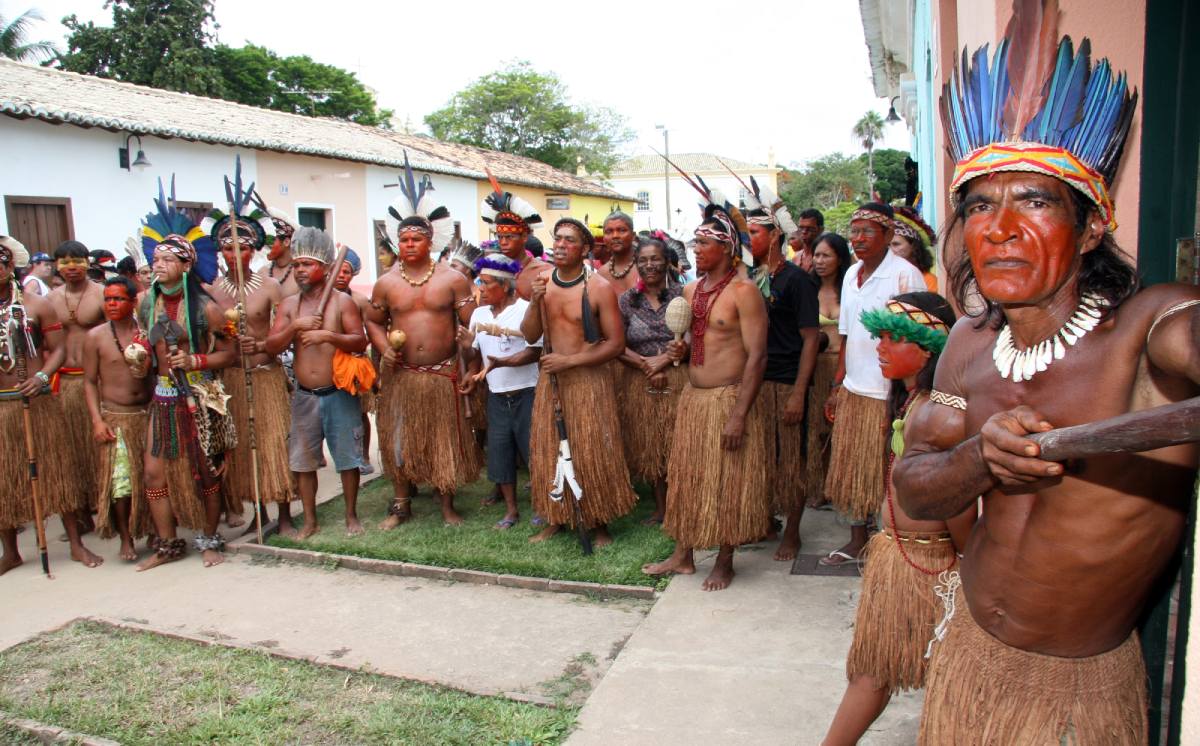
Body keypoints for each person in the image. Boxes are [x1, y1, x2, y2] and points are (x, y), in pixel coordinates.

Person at [895, 2, 1200, 741]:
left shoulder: (1150, 330)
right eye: (980, 206)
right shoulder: (968, 342)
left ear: (1092, 225)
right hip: (969, 651)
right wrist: (978, 459)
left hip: (1081, 689)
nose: (999, 228)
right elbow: (913, 484)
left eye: (1034, 200)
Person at [823, 292, 974, 745]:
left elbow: (958, 499)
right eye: (878, 336)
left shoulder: (942, 412)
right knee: (873, 669)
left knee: (941, 678)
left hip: (934, 566)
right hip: (901, 559)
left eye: (892, 338)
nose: (879, 347)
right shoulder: (912, 401)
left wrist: (968, 565)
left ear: (927, 346)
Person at [641, 201, 770, 591]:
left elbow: (758, 356)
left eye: (703, 243)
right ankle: (683, 555)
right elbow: (690, 344)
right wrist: (677, 355)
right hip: (694, 399)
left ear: (727, 249)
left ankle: (726, 560)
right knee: (688, 478)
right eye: (695, 242)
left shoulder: (745, 293)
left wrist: (739, 415)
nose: (695, 249)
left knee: (727, 481)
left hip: (727, 399)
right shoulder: (691, 289)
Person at [368, 156, 481, 528]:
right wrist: (383, 344)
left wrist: (470, 348)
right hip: (403, 375)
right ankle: (401, 505)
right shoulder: (386, 282)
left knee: (442, 440)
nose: (409, 244)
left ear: (431, 241)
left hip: (441, 374)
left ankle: (447, 503)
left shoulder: (452, 279)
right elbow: (373, 320)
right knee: (399, 439)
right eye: (403, 239)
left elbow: (472, 323)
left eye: (416, 239)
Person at [520, 217, 636, 546]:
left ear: (585, 249)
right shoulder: (542, 282)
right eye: (557, 238)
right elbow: (530, 335)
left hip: (588, 381)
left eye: (569, 240)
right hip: (553, 383)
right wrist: (534, 301)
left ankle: (598, 520)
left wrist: (570, 360)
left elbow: (614, 344)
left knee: (590, 449)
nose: (559, 245)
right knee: (549, 450)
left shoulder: (598, 287)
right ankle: (556, 516)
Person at [135, 193, 237, 571]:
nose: (157, 264)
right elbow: (145, 339)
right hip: (163, 395)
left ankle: (210, 539)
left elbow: (230, 355)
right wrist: (140, 355)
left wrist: (196, 359)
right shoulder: (147, 303)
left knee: (206, 470)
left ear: (185, 264)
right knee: (152, 473)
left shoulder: (208, 307)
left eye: (166, 259)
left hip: (200, 393)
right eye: (155, 258)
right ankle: (167, 544)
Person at [820, 202, 925, 566]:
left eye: (867, 231)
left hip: (888, 393)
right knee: (852, 471)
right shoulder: (851, 276)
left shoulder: (905, 276)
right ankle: (856, 542)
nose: (858, 239)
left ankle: (887, 543)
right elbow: (846, 334)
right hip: (854, 388)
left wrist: (901, 399)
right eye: (855, 231)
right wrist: (837, 386)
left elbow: (916, 342)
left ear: (889, 235)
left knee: (886, 472)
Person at [0, 236, 101, 575]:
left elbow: (55, 349)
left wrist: (42, 377)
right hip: (2, 405)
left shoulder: (36, 305)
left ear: (10, 266)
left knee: (57, 474)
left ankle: (75, 543)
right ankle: (11, 552)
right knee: (4, 480)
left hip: (36, 401)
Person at [267, 227, 369, 538]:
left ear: (324, 268)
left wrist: (327, 335)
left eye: (307, 264)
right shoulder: (289, 306)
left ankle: (351, 515)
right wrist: (295, 327)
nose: (299, 270)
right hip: (304, 396)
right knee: (302, 462)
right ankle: (310, 520)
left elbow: (359, 341)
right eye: (296, 265)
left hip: (339, 392)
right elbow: (271, 346)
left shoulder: (342, 303)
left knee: (348, 459)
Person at [202, 187, 291, 533]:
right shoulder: (210, 290)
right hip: (231, 380)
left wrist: (264, 345)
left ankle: (283, 513)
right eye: (227, 248)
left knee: (272, 443)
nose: (234, 254)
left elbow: (283, 334)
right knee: (241, 448)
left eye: (241, 248)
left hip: (266, 375)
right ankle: (259, 512)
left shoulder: (270, 287)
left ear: (253, 250)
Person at [744, 178, 820, 561]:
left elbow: (810, 338)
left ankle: (793, 531)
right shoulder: (749, 278)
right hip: (756, 381)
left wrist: (798, 393)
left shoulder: (797, 281)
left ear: (774, 237)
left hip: (788, 378)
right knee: (762, 457)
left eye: (754, 233)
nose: (748, 239)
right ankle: (766, 520)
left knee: (792, 460)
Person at [458, 255, 542, 529]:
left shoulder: (526, 309)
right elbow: (474, 354)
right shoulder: (479, 314)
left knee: (535, 452)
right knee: (500, 451)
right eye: (479, 282)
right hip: (496, 394)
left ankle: (542, 506)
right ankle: (510, 510)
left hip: (528, 392)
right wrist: (469, 348)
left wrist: (500, 362)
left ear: (505, 286)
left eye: (486, 283)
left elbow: (534, 352)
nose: (480, 289)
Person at [616, 234, 686, 525]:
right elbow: (616, 344)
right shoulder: (626, 301)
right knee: (652, 446)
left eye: (655, 259)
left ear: (667, 261)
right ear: (635, 265)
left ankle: (682, 501)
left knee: (678, 443)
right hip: (640, 380)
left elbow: (696, 337)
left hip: (679, 379)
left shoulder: (683, 294)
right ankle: (660, 508)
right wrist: (648, 366)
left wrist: (666, 361)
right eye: (642, 260)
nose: (649, 265)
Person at [82, 276, 153, 562]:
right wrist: (98, 421)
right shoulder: (96, 337)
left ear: (133, 302)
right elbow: (89, 382)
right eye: (108, 299)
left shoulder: (146, 333)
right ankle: (126, 538)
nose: (111, 304)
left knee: (152, 479)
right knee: (121, 484)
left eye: (119, 299)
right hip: (116, 417)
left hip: (147, 414)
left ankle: (154, 530)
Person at [48, 239, 105, 542]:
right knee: (72, 451)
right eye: (65, 261)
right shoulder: (50, 299)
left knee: (98, 448)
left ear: (87, 262)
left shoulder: (102, 295)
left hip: (97, 381)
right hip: (64, 382)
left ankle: (106, 506)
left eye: (77, 260)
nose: (71, 267)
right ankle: (82, 514)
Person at [805, 233, 851, 507]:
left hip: (845, 366)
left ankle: (842, 485)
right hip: (815, 366)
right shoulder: (808, 289)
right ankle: (821, 485)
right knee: (819, 430)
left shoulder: (851, 286)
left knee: (843, 430)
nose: (820, 261)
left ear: (840, 258)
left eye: (826, 255)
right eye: (816, 255)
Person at [334, 247, 378, 475]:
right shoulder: (324, 300)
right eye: (338, 271)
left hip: (355, 364)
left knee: (360, 412)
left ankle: (363, 455)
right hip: (331, 365)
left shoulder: (360, 301)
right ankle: (344, 457)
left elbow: (371, 332)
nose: (342, 276)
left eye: (347, 273)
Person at [480, 179, 546, 301]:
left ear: (525, 237)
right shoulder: (492, 269)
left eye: (510, 237)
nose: (503, 242)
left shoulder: (543, 271)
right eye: (500, 237)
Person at [254, 197, 300, 297]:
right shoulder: (262, 273)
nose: (264, 246)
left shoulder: (301, 273)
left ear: (287, 242)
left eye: (270, 240)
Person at [889, 206, 937, 292]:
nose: (890, 250)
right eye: (887, 245)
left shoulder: (929, 281)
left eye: (896, 244)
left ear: (914, 246)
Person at [597, 211, 640, 295]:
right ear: (604, 239)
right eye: (609, 232)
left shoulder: (648, 266)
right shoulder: (601, 273)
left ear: (633, 236)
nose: (615, 236)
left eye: (622, 230)